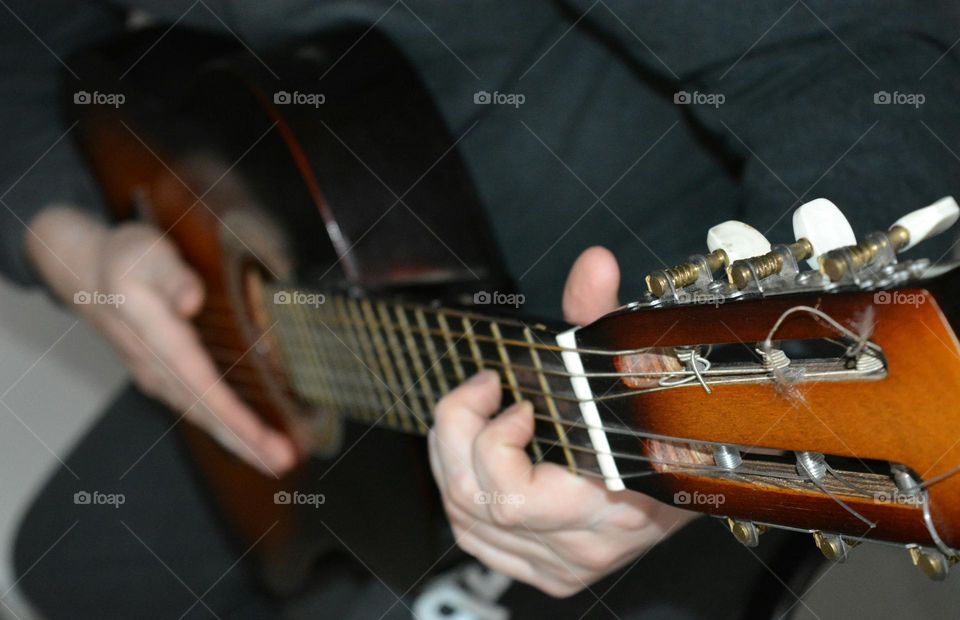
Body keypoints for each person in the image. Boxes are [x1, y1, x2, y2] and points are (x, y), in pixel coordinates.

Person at [3, 1, 959, 618]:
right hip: (276, 315)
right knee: (80, 564)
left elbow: (856, 67)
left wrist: (664, 446)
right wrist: (71, 238)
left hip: (606, 370)